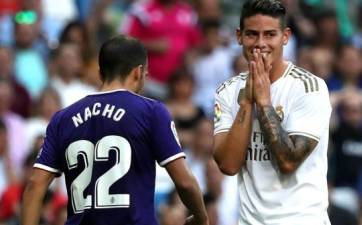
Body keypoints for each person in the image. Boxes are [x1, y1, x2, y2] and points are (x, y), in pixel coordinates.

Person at [21, 35, 208, 225]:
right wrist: (202, 218)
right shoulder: (151, 112)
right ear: (138, 72)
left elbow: (35, 185)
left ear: (101, 73)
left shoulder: (62, 118)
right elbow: (184, 182)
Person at [213, 0, 332, 224]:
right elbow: (228, 165)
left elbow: (288, 162)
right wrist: (247, 103)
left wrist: (264, 102)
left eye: (269, 34)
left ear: (285, 37)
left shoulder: (309, 88)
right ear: (239, 36)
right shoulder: (227, 91)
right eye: (251, 34)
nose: (260, 43)